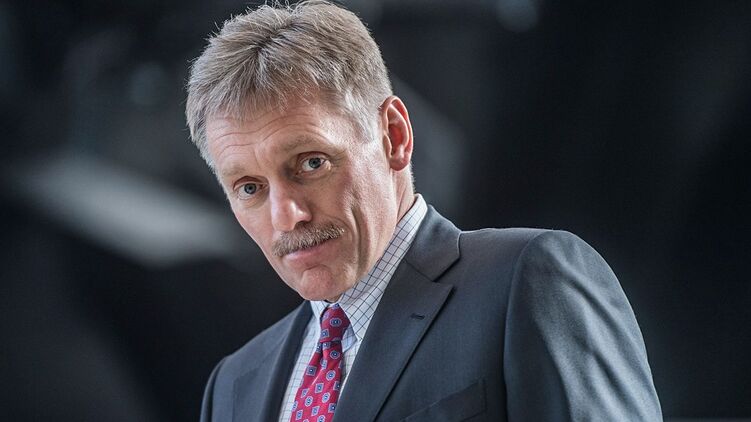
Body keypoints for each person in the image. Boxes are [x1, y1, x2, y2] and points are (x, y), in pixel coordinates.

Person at [186, 1, 662, 421]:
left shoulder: (528, 282)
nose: (286, 216)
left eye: (312, 163)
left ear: (394, 135)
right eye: (250, 188)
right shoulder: (233, 384)